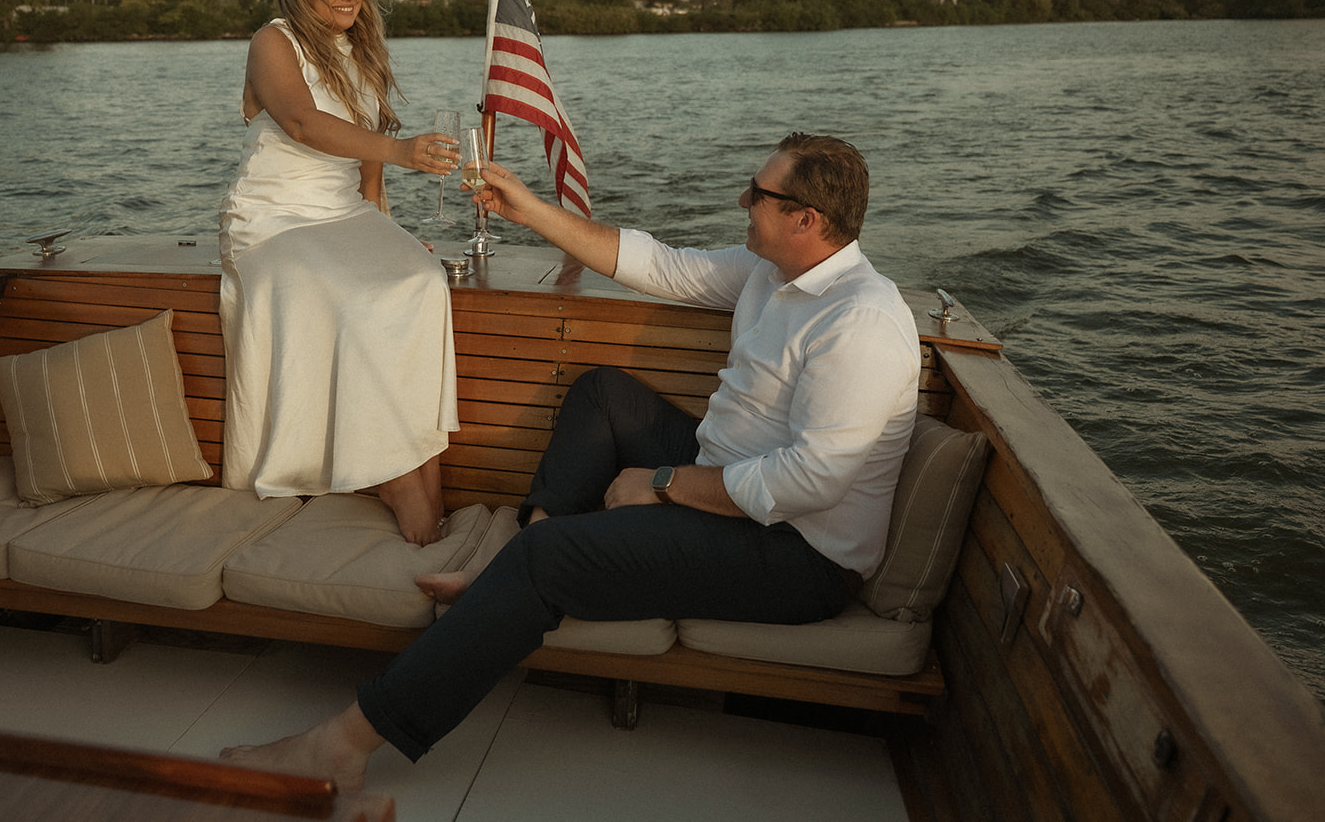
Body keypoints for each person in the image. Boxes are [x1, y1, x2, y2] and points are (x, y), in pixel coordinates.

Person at [221, 133, 920, 786]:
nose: (742, 201)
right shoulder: (771, 275)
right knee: (603, 394)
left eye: (756, 193)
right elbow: (652, 262)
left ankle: (344, 745)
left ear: (805, 219)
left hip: (796, 554)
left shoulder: (859, 322)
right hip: (733, 476)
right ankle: (516, 574)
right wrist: (529, 210)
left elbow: (810, 481)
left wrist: (665, 484)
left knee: (547, 560)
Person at [218, 0, 461, 545]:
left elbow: (369, 173)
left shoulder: (364, 50)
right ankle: (400, 484)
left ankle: (420, 473)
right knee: (357, 301)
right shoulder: (273, 42)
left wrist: (389, 233)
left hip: (345, 212)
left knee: (422, 280)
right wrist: (404, 150)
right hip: (276, 219)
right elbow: (302, 122)